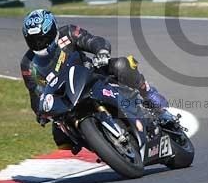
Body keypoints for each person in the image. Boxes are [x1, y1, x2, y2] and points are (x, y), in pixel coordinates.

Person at [19, 9, 171, 153]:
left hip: (91, 75)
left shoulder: (68, 33)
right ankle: (101, 144)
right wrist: (41, 114)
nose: (40, 44)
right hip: (65, 99)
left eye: (43, 39)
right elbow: (35, 93)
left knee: (121, 65)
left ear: (53, 30)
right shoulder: (28, 64)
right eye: (34, 41)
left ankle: (149, 94)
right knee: (61, 139)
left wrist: (101, 52)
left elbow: (92, 41)